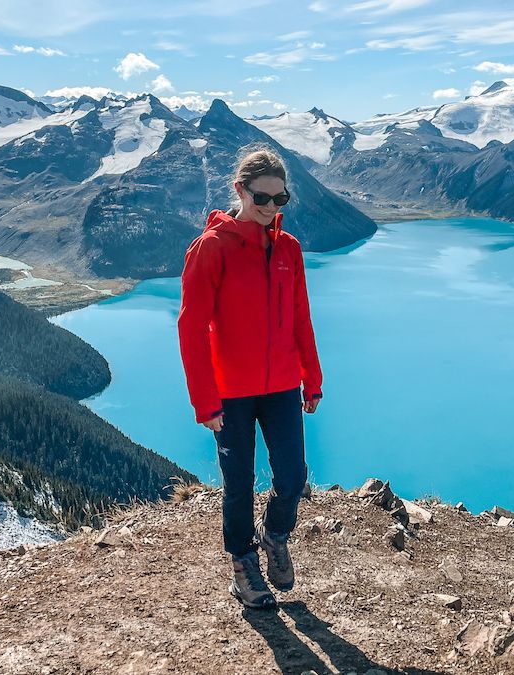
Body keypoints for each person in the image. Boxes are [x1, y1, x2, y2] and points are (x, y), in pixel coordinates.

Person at [177, 145, 323, 610]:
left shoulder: (289, 249)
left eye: (281, 200)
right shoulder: (211, 248)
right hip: (231, 392)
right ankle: (243, 565)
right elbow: (191, 326)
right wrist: (205, 401)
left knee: (293, 476)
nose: (271, 208)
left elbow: (301, 317)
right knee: (238, 484)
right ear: (240, 190)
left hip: (281, 384)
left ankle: (274, 534)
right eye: (263, 197)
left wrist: (311, 378)